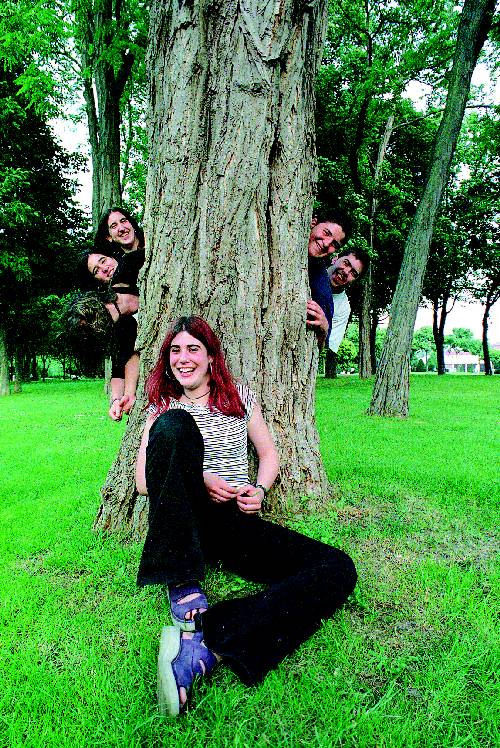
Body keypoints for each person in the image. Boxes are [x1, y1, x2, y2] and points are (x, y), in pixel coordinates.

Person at [135, 316, 357, 717]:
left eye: (193, 349)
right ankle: (181, 578)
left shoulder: (239, 396)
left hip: (235, 521)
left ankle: (208, 645)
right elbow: (143, 482)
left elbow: (268, 454)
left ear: (210, 357)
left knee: (337, 568)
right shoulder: (164, 407)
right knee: (176, 425)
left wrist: (260, 490)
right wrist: (199, 477)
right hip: (186, 520)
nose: (183, 359)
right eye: (175, 351)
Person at [66, 287, 139, 420]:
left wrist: (129, 393)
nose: (95, 328)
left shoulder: (127, 282)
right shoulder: (120, 329)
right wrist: (116, 400)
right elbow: (120, 367)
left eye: (91, 320)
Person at [327, 247, 370, 354]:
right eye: (346, 263)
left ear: (355, 281)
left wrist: (323, 328)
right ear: (335, 258)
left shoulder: (343, 308)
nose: (346, 272)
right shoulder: (308, 272)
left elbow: (329, 347)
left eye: (353, 273)